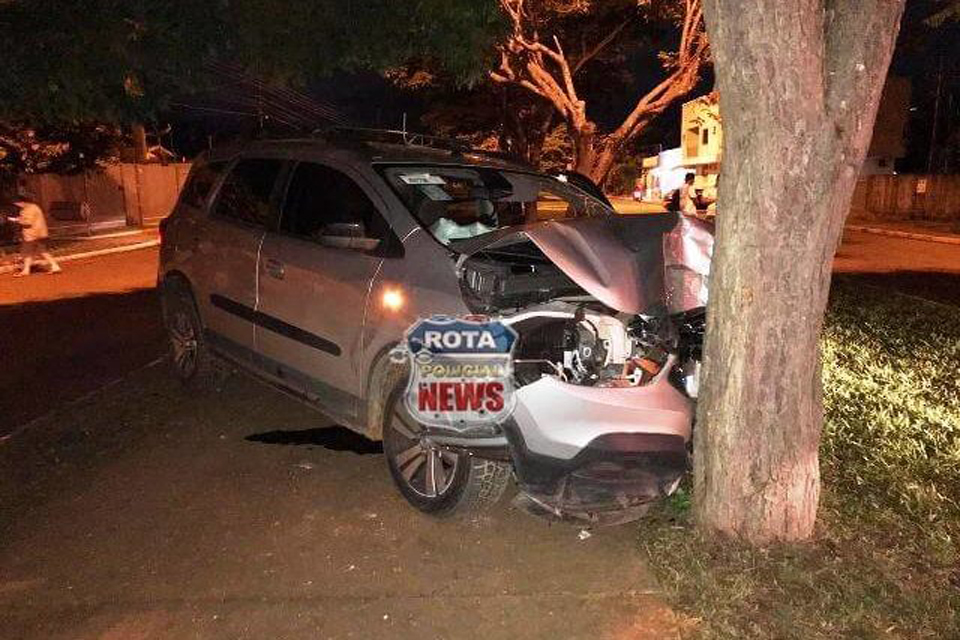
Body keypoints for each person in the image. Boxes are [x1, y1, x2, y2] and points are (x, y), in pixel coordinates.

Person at [6, 190, 61, 276]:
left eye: (17, 204)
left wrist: (15, 220)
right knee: (42, 251)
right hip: (40, 233)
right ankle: (54, 266)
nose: (17, 206)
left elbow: (28, 222)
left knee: (26, 252)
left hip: (32, 234)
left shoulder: (28, 209)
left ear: (21, 202)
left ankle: (26, 270)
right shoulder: (35, 207)